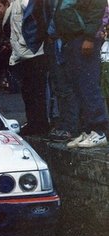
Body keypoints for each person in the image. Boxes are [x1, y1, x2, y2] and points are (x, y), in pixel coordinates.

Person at [49, 0, 109, 148]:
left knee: (87, 84)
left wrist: (89, 36)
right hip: (71, 38)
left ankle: (100, 130)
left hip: (83, 37)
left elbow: (97, 6)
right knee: (76, 86)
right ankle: (88, 130)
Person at [0, 0, 50, 136]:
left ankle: (41, 126)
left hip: (35, 55)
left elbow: (39, 18)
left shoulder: (21, 3)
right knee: (28, 93)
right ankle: (33, 124)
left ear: (6, 4)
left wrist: (32, 42)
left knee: (37, 93)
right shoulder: (7, 18)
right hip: (23, 57)